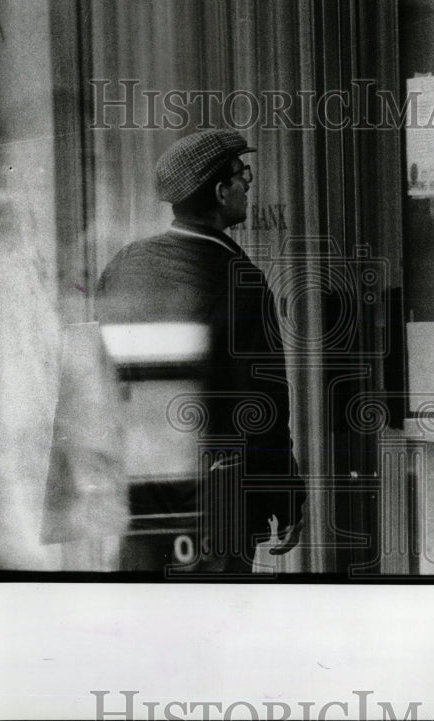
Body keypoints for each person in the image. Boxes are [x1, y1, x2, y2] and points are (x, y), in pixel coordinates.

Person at [95, 129, 306, 573]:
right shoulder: (240, 281)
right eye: (241, 174)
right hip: (217, 500)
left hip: (141, 494)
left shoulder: (125, 264)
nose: (248, 183)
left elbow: (100, 378)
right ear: (218, 190)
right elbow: (263, 406)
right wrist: (284, 496)